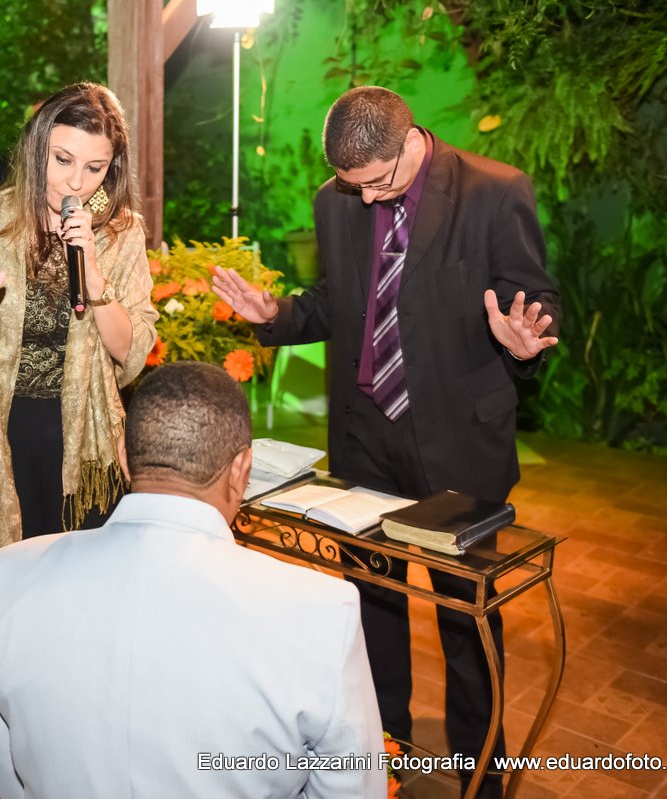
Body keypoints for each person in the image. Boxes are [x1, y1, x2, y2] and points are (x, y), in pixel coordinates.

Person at [211, 86, 561, 799]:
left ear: (410, 142)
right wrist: (275, 312)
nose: (366, 199)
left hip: (458, 442)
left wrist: (527, 340)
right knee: (371, 606)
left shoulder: (494, 192)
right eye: (354, 186)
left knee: (466, 623)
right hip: (365, 435)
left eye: (378, 182)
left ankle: (481, 776)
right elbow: (340, 301)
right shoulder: (336, 198)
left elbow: (535, 298)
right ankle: (383, 760)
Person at [0, 361, 385, 798]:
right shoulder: (321, 611)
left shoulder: (3, 577)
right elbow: (352, 786)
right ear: (241, 470)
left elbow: (4, 771)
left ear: (124, 455)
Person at [0, 82, 157, 552]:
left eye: (94, 167)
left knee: (82, 569)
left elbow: (130, 355)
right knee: (15, 568)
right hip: (1, 431)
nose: (75, 183)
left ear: (112, 167)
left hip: (85, 431)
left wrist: (94, 277)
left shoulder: (121, 233)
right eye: (62, 159)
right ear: (36, 148)